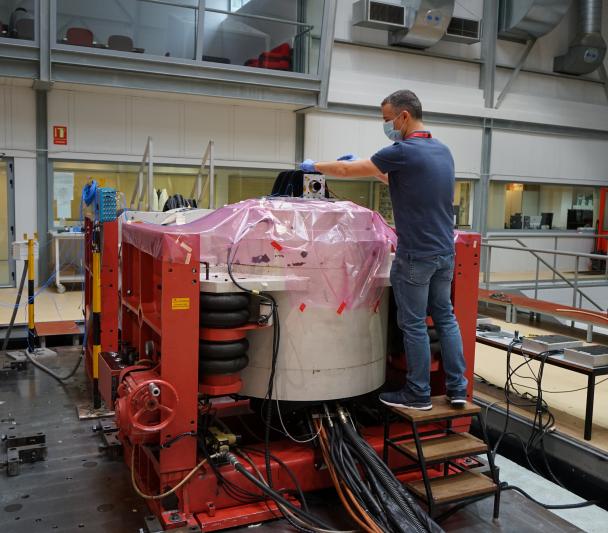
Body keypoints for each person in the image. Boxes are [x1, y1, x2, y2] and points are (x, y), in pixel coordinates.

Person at [299, 89, 467, 411]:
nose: (386, 125)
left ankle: (418, 394)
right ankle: (458, 389)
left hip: (416, 255)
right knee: (445, 318)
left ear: (404, 116)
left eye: (387, 119)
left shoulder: (403, 150)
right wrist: (374, 170)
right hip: (445, 253)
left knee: (414, 324)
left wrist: (315, 166)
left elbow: (349, 172)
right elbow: (400, 181)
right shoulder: (442, 151)